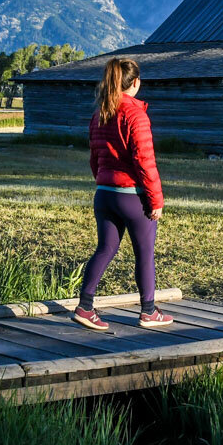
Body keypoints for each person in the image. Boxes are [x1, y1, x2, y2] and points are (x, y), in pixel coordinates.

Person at [73, 58, 174, 330]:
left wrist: (103, 182)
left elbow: (95, 158)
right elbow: (145, 161)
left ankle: (85, 306)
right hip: (132, 195)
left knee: (105, 249)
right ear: (136, 83)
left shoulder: (100, 114)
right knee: (144, 253)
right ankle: (149, 312)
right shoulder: (136, 115)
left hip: (104, 194)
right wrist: (156, 200)